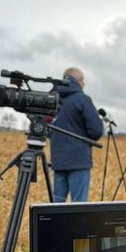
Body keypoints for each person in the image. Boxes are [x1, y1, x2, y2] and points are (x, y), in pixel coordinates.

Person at [50, 67, 104, 202]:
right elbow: (96, 130)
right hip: (78, 160)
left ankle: (56, 224)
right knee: (79, 205)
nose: (84, 84)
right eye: (83, 80)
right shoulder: (82, 99)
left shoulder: (52, 100)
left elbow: (46, 127)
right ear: (78, 81)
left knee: (56, 203)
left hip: (58, 159)